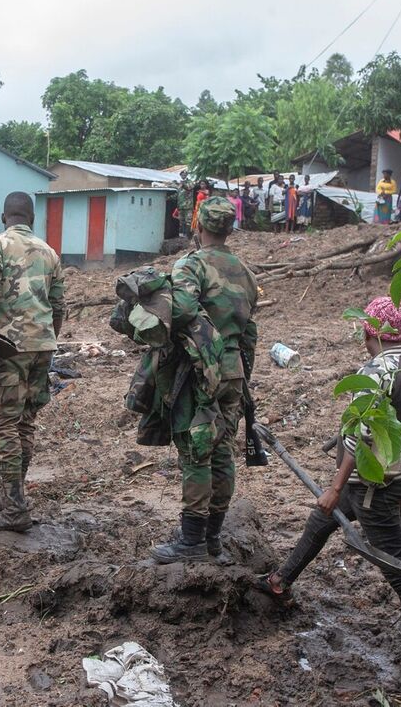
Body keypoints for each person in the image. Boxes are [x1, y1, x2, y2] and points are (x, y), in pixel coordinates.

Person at [256, 296, 401, 683]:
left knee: (396, 566)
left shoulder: (376, 372)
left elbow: (360, 435)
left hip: (369, 485)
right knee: (319, 523)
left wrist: (335, 487)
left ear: (370, 329)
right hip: (387, 481)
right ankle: (280, 583)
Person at [152, 196, 258, 564]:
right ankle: (212, 538)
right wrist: (244, 377)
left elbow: (179, 310)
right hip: (234, 371)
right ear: (230, 229)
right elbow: (250, 331)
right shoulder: (245, 271)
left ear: (198, 226)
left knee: (196, 449)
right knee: (222, 450)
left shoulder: (191, 265)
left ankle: (192, 541)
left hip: (200, 370)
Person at [0, 192, 65, 532]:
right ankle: (15, 497)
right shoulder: (49, 252)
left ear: (3, 216)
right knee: (25, 422)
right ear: (32, 219)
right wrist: (46, 341)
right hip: (43, 346)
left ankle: (14, 508)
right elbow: (59, 306)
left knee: (5, 425)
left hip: (9, 347)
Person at [175, 169, 195, 238]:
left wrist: (183, 185)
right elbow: (178, 194)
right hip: (180, 206)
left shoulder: (190, 182)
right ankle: (181, 235)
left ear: (186, 175)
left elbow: (189, 188)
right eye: (182, 175)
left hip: (188, 206)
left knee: (188, 221)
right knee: (181, 221)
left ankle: (188, 236)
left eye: (184, 174)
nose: (183, 176)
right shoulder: (179, 184)